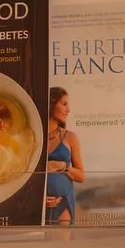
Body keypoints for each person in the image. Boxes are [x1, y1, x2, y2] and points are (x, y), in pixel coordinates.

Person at [45, 88, 84, 226]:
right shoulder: (35, 137)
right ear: (51, 103)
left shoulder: (70, 137)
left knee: (61, 238)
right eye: (64, 104)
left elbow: (81, 176)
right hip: (37, 203)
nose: (68, 110)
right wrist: (39, 199)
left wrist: (62, 166)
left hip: (63, 203)